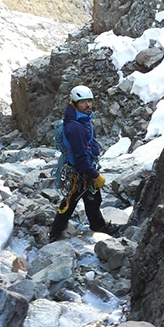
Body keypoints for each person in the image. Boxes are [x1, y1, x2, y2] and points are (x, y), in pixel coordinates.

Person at [49, 85, 107, 241]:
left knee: (83, 199)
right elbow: (80, 158)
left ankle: (57, 231)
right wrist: (95, 175)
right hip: (81, 171)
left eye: (89, 101)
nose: (88, 105)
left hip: (81, 170)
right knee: (76, 201)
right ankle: (57, 231)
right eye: (83, 102)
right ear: (74, 103)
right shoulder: (74, 127)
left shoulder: (80, 120)